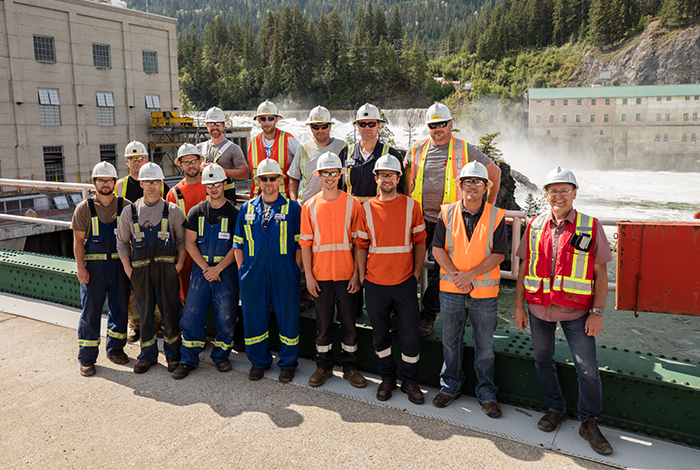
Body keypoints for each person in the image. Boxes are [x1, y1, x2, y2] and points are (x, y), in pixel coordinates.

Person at [514, 166, 613, 455]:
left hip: (577, 312)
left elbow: (601, 274)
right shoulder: (534, 226)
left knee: (588, 369)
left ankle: (589, 421)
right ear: (545, 195)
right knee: (542, 361)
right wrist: (519, 306)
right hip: (538, 310)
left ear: (574, 193)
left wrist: (598, 312)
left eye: (564, 190)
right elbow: (523, 269)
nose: (558, 196)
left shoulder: (590, 226)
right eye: (553, 191)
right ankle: (556, 409)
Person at [406, 103, 502, 338]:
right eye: (432, 125)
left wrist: (487, 208)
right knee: (407, 267)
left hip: (449, 222)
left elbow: (495, 172)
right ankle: (403, 314)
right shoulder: (416, 149)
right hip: (418, 218)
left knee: (444, 272)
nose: (437, 129)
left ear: (450, 124)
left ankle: (426, 317)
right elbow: (406, 179)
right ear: (428, 126)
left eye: (442, 124)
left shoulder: (465, 149)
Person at [430, 162, 507, 419]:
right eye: (468, 181)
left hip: (484, 295)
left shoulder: (496, 215)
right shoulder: (446, 212)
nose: (472, 186)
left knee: (485, 348)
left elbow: (499, 254)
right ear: (460, 185)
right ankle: (449, 387)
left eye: (478, 182)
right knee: (450, 344)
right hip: (451, 290)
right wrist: (457, 276)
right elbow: (438, 249)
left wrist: (470, 276)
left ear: (486, 187)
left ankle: (487, 394)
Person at [356, 155, 427, 404]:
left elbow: (420, 242)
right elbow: (361, 245)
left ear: (398, 178)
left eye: (391, 175)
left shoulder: (412, 206)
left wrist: (416, 274)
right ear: (376, 178)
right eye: (382, 175)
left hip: (404, 282)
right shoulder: (366, 209)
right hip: (375, 283)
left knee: (409, 335)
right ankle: (387, 379)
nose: (387, 179)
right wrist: (364, 277)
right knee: (380, 336)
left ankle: (410, 382)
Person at [300, 152, 366, 389]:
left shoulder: (353, 204)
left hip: (347, 277)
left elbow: (360, 243)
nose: (330, 177)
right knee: (323, 325)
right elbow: (305, 244)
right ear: (318, 175)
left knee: (349, 325)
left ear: (341, 174)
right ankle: (323, 367)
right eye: (325, 173)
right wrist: (308, 276)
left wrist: (358, 274)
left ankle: (350, 368)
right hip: (320, 277)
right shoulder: (309, 206)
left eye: (334, 172)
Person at [233, 159, 302, 383]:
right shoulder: (246, 208)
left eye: (273, 178)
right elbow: (238, 244)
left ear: (280, 181)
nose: (269, 183)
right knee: (253, 317)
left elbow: (300, 244)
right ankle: (259, 361)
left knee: (288, 316)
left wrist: (295, 269)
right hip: (253, 271)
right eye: (264, 179)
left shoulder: (292, 208)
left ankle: (288, 363)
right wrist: (243, 270)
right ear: (258, 181)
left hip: (284, 270)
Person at [117, 162, 186, 374]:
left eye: (156, 181)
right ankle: (147, 356)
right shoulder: (130, 212)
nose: (152, 186)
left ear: (161, 183)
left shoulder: (173, 211)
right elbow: (121, 244)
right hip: (141, 275)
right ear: (141, 183)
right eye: (147, 181)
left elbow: (183, 242)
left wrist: (179, 266)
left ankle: (173, 356)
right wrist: (130, 272)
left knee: (170, 316)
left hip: (167, 275)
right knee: (145, 317)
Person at [172, 164, 240, 379]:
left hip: (225, 273)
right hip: (201, 273)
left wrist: (218, 268)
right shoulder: (196, 212)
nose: (214, 188)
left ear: (224, 184)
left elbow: (237, 246)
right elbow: (189, 242)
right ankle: (188, 358)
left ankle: (221, 357)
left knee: (226, 316)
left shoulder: (233, 213)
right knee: (191, 315)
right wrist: (205, 269)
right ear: (205, 186)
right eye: (209, 185)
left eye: (217, 184)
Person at [71, 162, 131, 376]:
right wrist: (80, 267)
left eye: (109, 180)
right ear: (93, 182)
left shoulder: (126, 206)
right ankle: (87, 358)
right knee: (90, 313)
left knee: (120, 309)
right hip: (93, 270)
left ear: (115, 182)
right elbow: (78, 241)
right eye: (101, 180)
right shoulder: (84, 208)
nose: (105, 184)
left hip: (119, 268)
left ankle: (115, 350)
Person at [115, 140, 169, 342]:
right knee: (132, 288)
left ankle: (156, 324)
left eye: (140, 158)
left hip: (156, 243)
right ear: (126, 162)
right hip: (131, 244)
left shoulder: (159, 183)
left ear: (147, 159)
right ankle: (134, 325)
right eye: (132, 159)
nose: (137, 163)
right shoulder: (120, 186)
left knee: (156, 286)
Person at [166, 144, 207, 304]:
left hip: (210, 249)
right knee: (187, 294)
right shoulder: (174, 193)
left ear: (200, 161)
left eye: (194, 161)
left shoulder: (211, 186)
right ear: (180, 165)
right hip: (185, 253)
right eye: (186, 162)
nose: (191, 165)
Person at [339, 103, 405, 203]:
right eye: (362, 124)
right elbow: (337, 187)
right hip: (351, 214)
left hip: (379, 214)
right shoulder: (346, 153)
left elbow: (400, 190)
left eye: (371, 124)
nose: (367, 128)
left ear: (379, 125)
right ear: (357, 125)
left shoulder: (391, 155)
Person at [288, 106, 346, 205]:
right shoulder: (303, 149)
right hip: (306, 206)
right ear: (310, 127)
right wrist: (294, 204)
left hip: (335, 206)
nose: (320, 130)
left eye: (324, 126)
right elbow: (293, 178)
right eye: (316, 127)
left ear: (330, 126)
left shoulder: (342, 147)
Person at [247, 101, 301, 199]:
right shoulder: (253, 142)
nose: (267, 122)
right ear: (258, 120)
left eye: (270, 118)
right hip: (258, 202)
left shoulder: (288, 139)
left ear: (276, 120)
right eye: (263, 119)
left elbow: (303, 164)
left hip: (283, 201)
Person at [197, 107, 249, 203]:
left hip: (227, 200)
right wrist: (199, 169)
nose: (215, 127)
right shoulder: (199, 148)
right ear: (207, 126)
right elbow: (189, 174)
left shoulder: (233, 148)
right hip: (204, 199)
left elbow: (245, 174)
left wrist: (221, 170)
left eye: (218, 124)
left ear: (224, 126)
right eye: (211, 124)